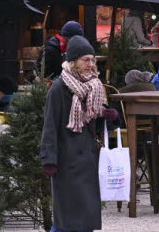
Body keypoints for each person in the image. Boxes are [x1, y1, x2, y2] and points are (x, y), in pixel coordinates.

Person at [40, 35, 118, 232]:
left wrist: (108, 116)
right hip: (67, 162)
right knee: (67, 221)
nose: (91, 64)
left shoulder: (95, 86)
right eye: (86, 60)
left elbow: (96, 121)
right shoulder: (59, 88)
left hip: (88, 161)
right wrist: (49, 160)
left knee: (85, 219)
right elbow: (50, 125)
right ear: (73, 62)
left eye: (93, 60)